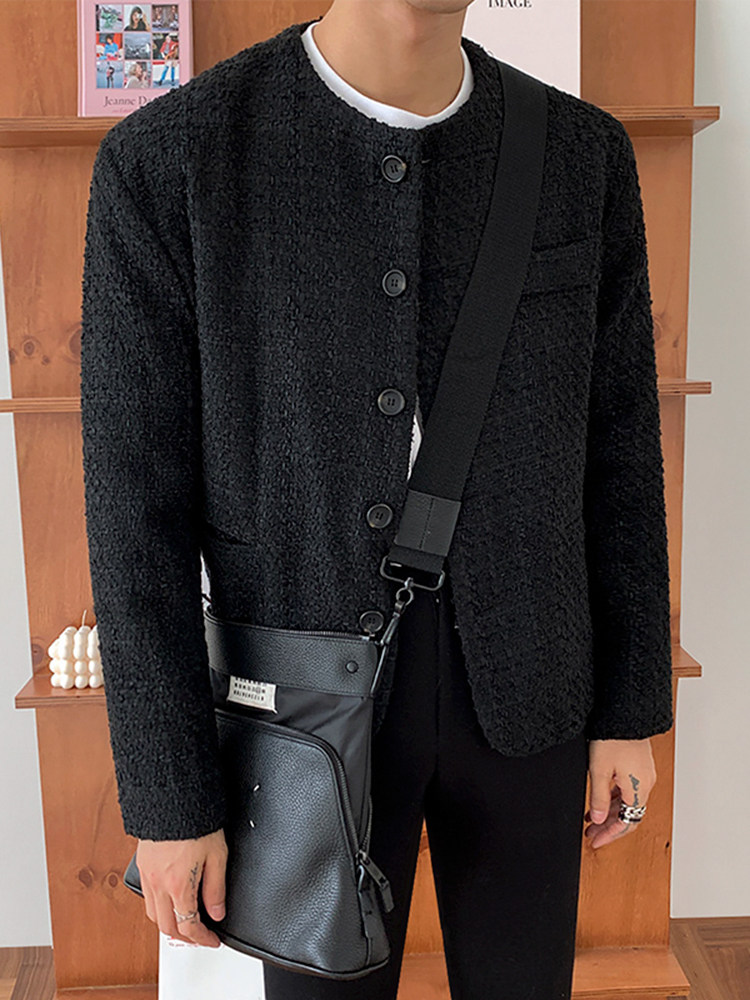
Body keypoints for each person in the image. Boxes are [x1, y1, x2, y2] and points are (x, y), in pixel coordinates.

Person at [79, 2, 674, 997]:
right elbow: (133, 514)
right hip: (300, 711)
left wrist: (630, 709)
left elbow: (621, 451)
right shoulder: (170, 162)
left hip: (533, 684)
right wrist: (171, 798)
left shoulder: (581, 156)